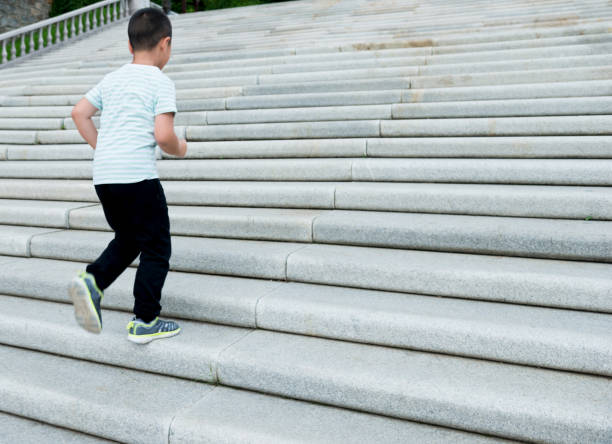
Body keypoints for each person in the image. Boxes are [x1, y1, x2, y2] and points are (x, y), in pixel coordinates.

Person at [69, 7, 187, 344]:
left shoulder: (113, 78)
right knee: (157, 246)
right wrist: (182, 148)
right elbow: (164, 136)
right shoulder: (160, 82)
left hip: (106, 177)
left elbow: (80, 113)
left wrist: (102, 147)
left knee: (130, 238)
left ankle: (92, 281)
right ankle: (146, 319)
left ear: (130, 46)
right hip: (137, 177)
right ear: (165, 44)